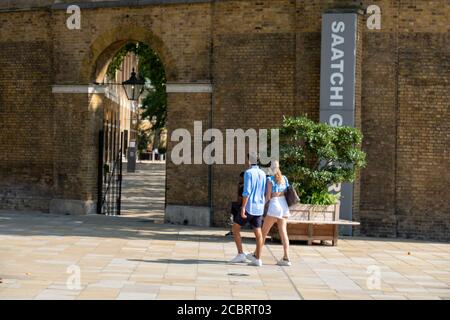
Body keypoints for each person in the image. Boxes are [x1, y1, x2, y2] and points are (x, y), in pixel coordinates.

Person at [229, 152, 266, 267]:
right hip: (259, 207)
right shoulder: (263, 174)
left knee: (235, 228)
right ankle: (258, 259)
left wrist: (243, 207)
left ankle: (240, 254)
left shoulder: (248, 173)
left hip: (249, 207)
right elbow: (263, 192)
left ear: (249, 161)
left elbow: (247, 192)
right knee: (258, 233)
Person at [261, 160, 292, 266]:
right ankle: (286, 257)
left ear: (270, 168)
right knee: (283, 233)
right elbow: (287, 191)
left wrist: (262, 207)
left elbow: (268, 197)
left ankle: (257, 255)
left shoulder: (270, 179)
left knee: (263, 232)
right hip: (284, 205)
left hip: (275, 204)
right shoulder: (285, 178)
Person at [226, 171, 245, 237]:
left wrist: (239, 205)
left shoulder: (243, 188)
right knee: (233, 207)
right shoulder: (243, 186)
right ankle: (233, 230)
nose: (239, 179)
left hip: (243, 206)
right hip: (244, 205)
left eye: (241, 178)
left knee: (233, 210)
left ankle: (233, 231)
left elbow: (239, 199)